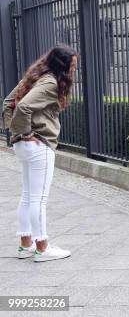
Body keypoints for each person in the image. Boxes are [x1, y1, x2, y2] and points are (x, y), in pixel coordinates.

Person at [2, 45, 78, 262]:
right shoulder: (50, 83)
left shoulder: (34, 77)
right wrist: (25, 133)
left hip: (24, 146)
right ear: (61, 66)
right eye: (72, 66)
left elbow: (8, 103)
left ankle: (25, 244)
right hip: (38, 145)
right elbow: (23, 107)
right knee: (39, 198)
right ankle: (42, 247)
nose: (73, 70)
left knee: (27, 196)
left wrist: (17, 134)